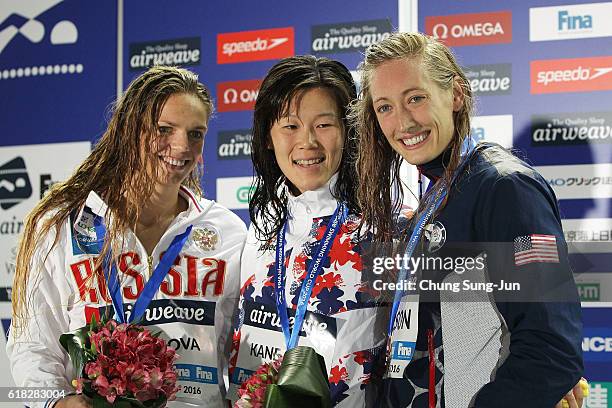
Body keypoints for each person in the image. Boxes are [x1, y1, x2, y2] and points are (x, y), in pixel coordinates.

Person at [349, 32, 584, 408]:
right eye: (385, 107)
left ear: (456, 95)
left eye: (416, 98)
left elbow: (551, 348)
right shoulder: (439, 191)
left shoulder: (507, 188)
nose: (403, 122)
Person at [7, 66, 246, 408]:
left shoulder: (226, 231)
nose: (181, 146)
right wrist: (55, 402)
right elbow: (30, 343)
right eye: (165, 130)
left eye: (196, 134)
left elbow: (246, 346)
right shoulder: (64, 224)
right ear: (130, 132)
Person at [228, 55, 385, 407]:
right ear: (268, 137)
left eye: (324, 125)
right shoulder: (260, 229)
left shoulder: (384, 230)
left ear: (349, 132)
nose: (307, 142)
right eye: (290, 126)